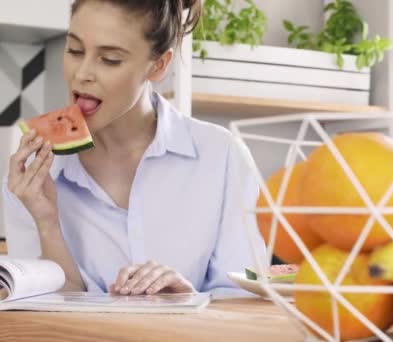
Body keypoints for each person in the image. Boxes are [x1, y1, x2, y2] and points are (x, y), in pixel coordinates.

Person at [2, 0, 266, 297]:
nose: (82, 73)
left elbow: (245, 299)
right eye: (75, 51)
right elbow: (39, 317)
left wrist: (185, 299)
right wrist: (47, 224)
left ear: (158, 65)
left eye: (110, 59)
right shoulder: (30, 180)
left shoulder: (222, 157)